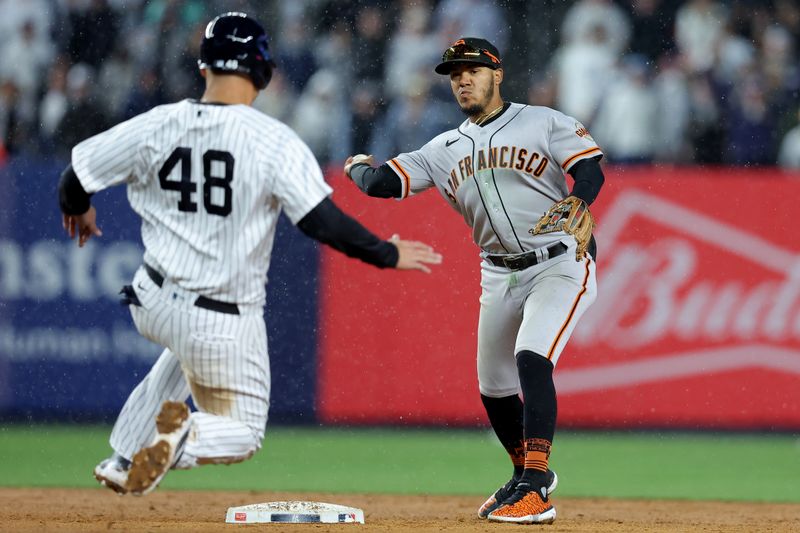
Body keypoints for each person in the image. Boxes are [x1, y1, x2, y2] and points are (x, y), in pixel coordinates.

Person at [57, 12, 441, 497]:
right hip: (219, 318)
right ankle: (182, 438)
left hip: (150, 298)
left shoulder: (158, 123)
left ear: (204, 68)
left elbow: (75, 176)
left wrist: (78, 209)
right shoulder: (273, 141)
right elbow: (321, 222)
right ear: (262, 71)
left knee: (182, 350)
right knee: (242, 432)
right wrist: (386, 253)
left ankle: (124, 458)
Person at [344, 37, 604, 524]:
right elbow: (383, 183)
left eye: (473, 70)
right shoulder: (442, 148)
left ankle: (538, 486)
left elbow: (589, 169)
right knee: (493, 385)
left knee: (531, 356)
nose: (463, 79)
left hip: (560, 261)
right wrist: (359, 168)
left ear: (497, 74)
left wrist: (582, 198)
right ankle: (520, 472)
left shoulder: (541, 120)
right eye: (455, 73)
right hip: (498, 272)